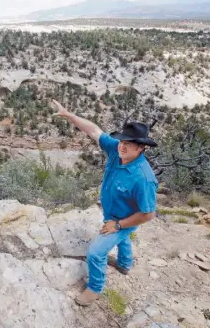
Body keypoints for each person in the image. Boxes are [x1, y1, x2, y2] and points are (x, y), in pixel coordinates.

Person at [50, 99, 158, 306]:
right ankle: (125, 264)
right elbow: (93, 130)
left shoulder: (143, 178)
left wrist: (118, 225)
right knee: (123, 240)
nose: (123, 146)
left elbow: (148, 214)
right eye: (122, 141)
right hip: (113, 212)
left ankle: (95, 289)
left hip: (124, 218)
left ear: (142, 148)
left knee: (96, 252)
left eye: (129, 143)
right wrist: (70, 115)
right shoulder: (117, 149)